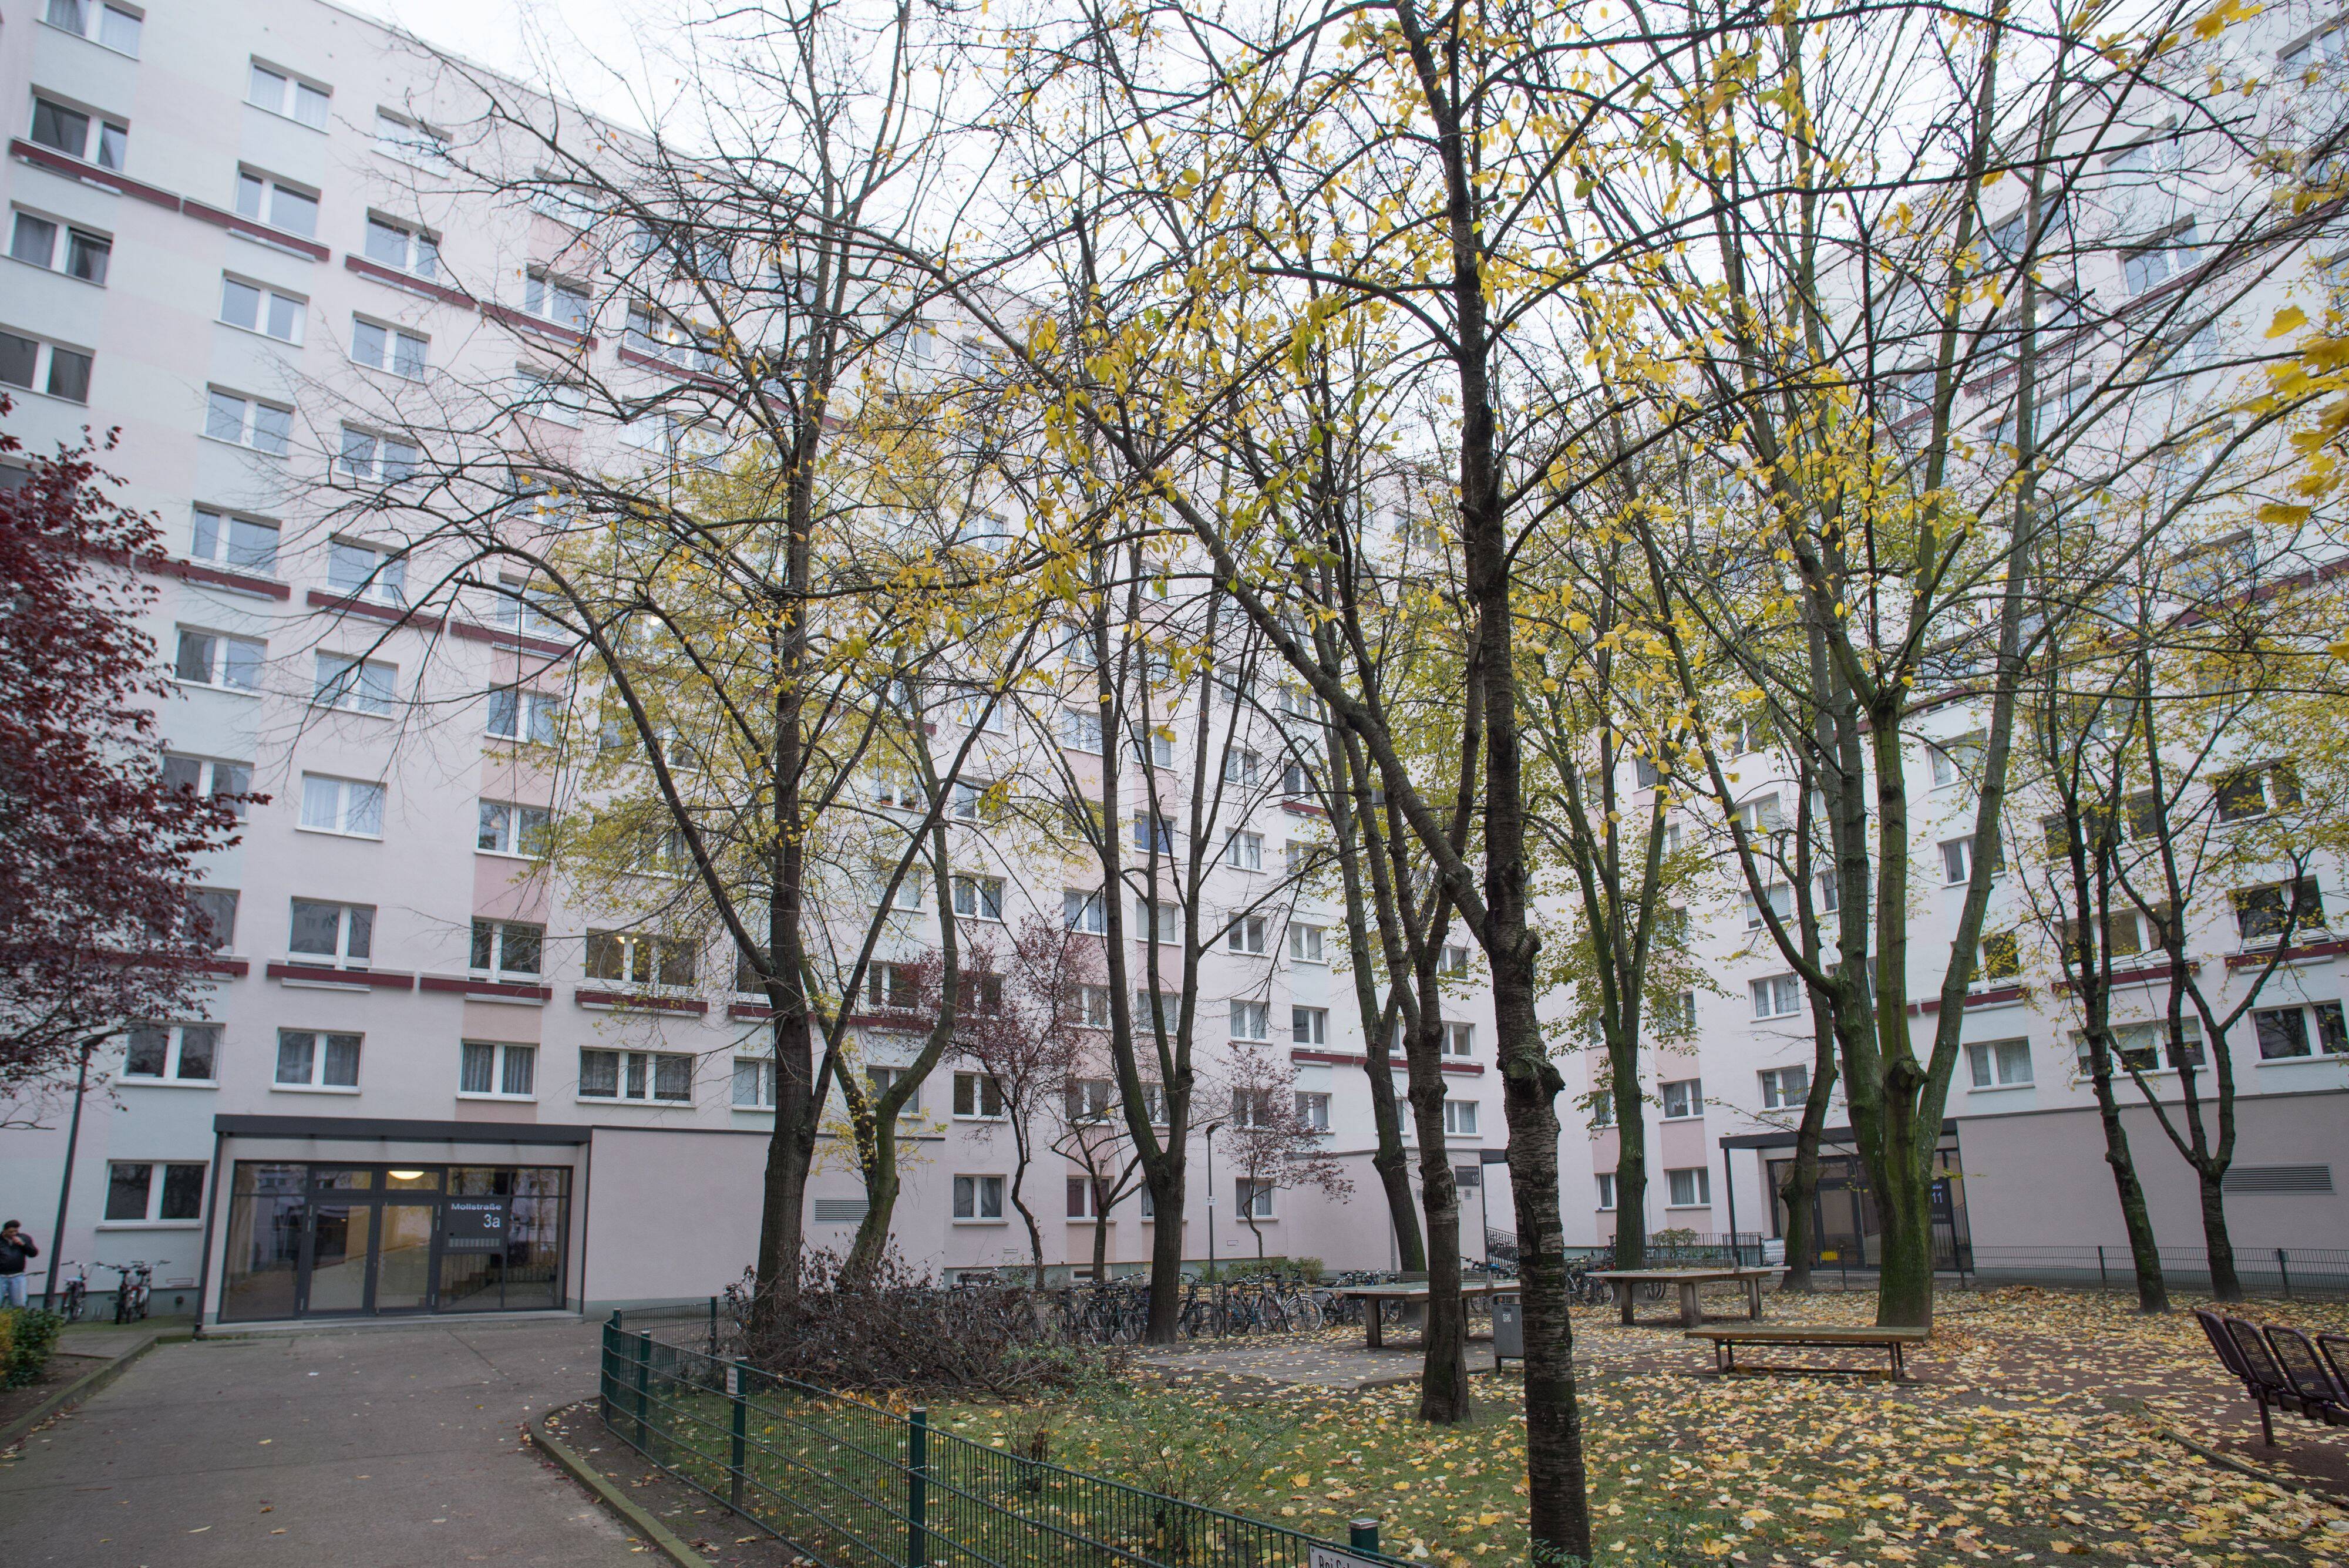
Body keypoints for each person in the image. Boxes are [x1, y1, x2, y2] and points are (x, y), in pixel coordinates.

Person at [0, 1220, 36, 1308]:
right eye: (11, 1232)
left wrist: (23, 1245)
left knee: (19, 1304)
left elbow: (33, 1253)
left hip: (18, 1275)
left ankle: (18, 1320)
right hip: (1, 1275)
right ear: (5, 1231)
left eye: (16, 1231)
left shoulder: (24, 1238)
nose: (14, 1234)